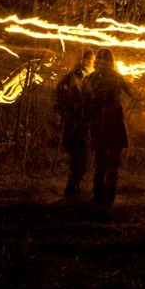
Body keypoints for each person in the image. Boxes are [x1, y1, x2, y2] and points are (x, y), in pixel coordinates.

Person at [82, 48, 144, 207]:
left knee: (100, 162)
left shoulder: (89, 79)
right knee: (113, 164)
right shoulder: (117, 77)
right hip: (115, 122)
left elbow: (85, 104)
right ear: (112, 61)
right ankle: (109, 199)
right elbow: (135, 95)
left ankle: (97, 197)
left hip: (98, 123)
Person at [55, 49, 95, 197]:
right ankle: (72, 189)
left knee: (82, 158)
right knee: (78, 157)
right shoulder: (72, 78)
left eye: (92, 60)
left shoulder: (90, 78)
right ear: (83, 60)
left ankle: (74, 188)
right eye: (89, 60)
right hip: (75, 124)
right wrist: (67, 114)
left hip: (83, 125)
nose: (91, 63)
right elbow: (61, 97)